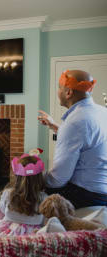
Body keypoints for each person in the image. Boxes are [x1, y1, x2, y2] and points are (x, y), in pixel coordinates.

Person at [38, 70, 107, 208]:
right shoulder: (101, 111)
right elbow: (86, 138)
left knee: (28, 194)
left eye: (59, 88)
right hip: (102, 189)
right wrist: (54, 125)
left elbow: (58, 179)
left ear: (68, 92)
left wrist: (33, 177)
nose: (58, 92)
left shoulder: (74, 123)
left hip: (86, 195)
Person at [0, 154, 47, 237]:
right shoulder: (44, 198)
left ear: (17, 176)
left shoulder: (8, 193)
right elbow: (45, 223)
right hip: (32, 235)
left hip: (7, 232)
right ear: (39, 178)